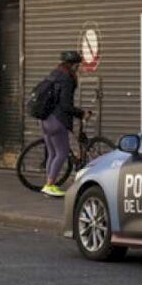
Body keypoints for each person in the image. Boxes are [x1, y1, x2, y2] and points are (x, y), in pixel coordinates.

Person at [38, 51, 90, 199]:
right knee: (61, 153)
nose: (78, 68)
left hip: (45, 119)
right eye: (78, 65)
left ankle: (48, 185)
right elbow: (66, 105)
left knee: (52, 153)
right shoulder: (67, 79)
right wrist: (81, 113)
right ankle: (50, 185)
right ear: (73, 65)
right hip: (57, 121)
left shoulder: (54, 74)